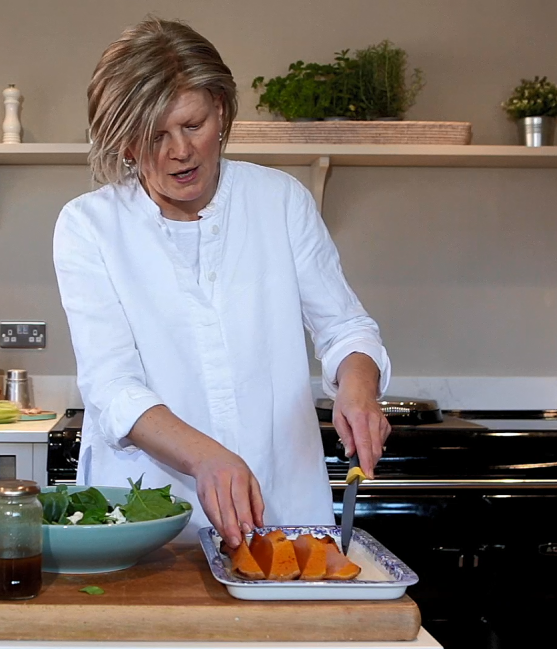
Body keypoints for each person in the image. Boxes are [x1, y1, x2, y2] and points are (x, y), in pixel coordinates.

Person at [52, 17, 391, 548]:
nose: (180, 151)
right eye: (154, 135)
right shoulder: (88, 225)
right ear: (124, 144)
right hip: (150, 522)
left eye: (193, 124)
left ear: (222, 109)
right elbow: (111, 384)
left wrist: (359, 386)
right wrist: (206, 456)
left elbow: (345, 328)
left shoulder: (280, 201)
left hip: (281, 502)